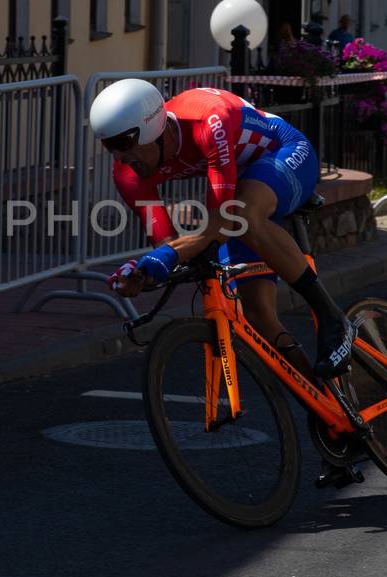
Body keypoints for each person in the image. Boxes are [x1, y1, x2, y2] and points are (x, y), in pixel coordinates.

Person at [91, 80, 355, 377]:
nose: (118, 157)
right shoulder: (127, 173)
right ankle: (321, 401)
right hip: (243, 178)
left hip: (286, 152)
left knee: (242, 216)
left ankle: (331, 316)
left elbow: (221, 221)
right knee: (257, 314)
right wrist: (143, 273)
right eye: (108, 146)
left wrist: (168, 256)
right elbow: (168, 245)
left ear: (153, 128)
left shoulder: (208, 120)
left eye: (122, 143)